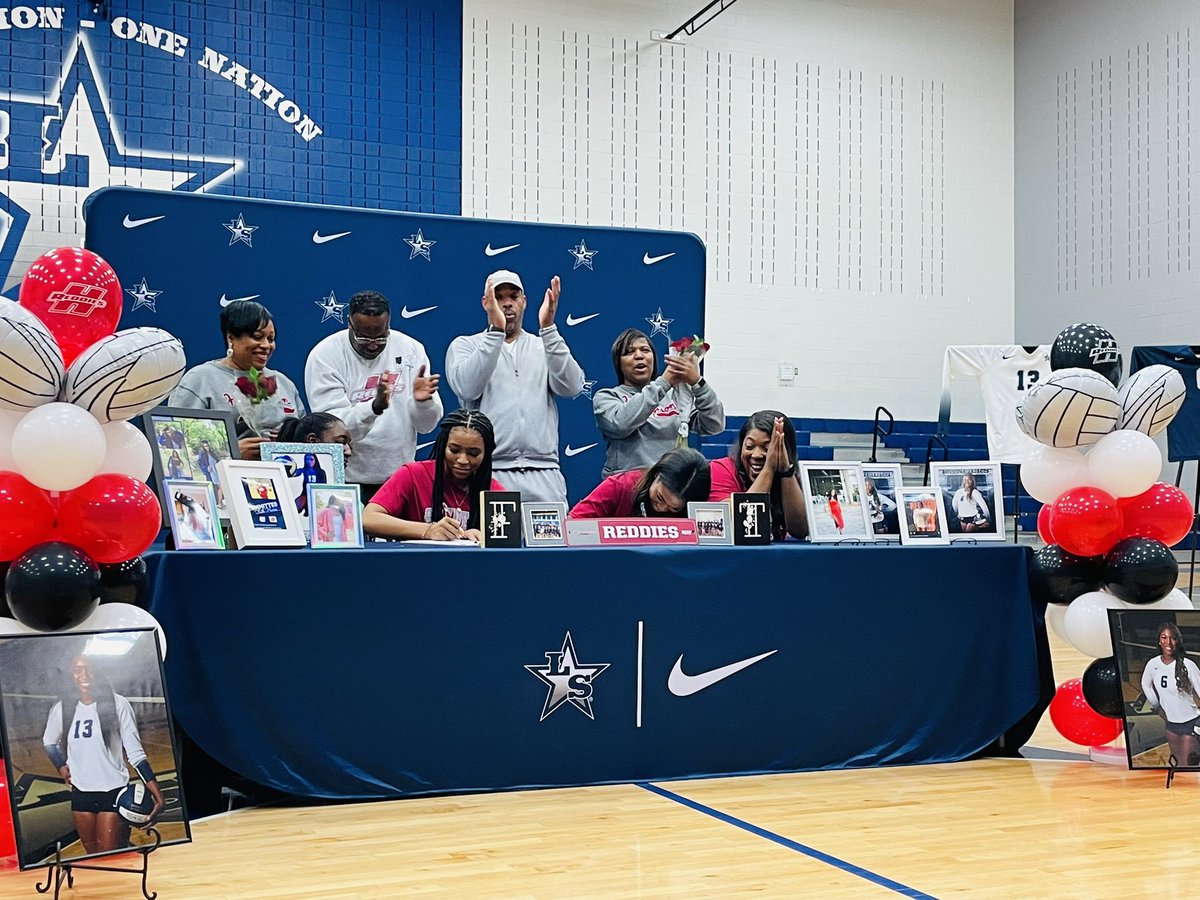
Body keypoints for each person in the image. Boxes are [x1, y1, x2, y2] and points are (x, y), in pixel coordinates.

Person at [445, 270, 585, 504]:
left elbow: (572, 387)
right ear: (486, 303)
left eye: (513, 296)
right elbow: (467, 388)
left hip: (544, 472)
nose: (507, 303)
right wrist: (495, 333)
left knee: (550, 542)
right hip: (490, 471)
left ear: (524, 301)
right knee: (491, 540)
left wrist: (549, 329)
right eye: (498, 297)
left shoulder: (544, 345)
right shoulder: (466, 345)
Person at [305, 290, 443, 499]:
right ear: (349, 323)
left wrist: (422, 403)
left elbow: (426, 426)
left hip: (400, 479)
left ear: (389, 325)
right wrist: (373, 408)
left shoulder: (411, 350)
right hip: (346, 480)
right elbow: (331, 432)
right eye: (363, 337)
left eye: (380, 337)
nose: (372, 344)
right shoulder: (325, 356)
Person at [42, 653, 165, 856]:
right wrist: (62, 767)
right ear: (72, 675)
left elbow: (134, 752)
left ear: (98, 671)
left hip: (113, 793)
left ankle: (128, 864)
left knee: (110, 856)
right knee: (94, 858)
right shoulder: (63, 709)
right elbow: (49, 742)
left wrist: (156, 791)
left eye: (89, 668)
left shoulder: (118, 704)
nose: (84, 674)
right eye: (78, 670)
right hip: (81, 794)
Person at [168, 300, 305, 460]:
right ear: (231, 337)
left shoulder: (283, 382)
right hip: (226, 480)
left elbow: (306, 439)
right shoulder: (200, 379)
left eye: (271, 338)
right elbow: (177, 443)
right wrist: (230, 451)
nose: (266, 345)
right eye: (257, 337)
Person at [592, 328, 725, 477]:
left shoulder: (675, 397)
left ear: (653, 359)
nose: (639, 356)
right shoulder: (606, 397)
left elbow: (714, 425)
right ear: (619, 364)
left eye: (645, 350)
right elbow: (621, 424)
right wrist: (664, 382)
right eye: (629, 352)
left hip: (670, 485)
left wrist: (697, 383)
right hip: (627, 487)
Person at [362, 409, 506, 542]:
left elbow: (508, 539)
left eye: (473, 453)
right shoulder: (412, 474)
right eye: (454, 450)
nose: (462, 460)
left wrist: (479, 535)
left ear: (486, 454)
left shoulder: (495, 493)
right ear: (442, 446)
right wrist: (428, 530)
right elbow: (368, 519)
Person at [708, 410, 808, 541]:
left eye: (767, 449)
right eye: (749, 446)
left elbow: (799, 531)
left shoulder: (794, 477)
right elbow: (738, 520)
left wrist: (785, 471)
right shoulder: (721, 469)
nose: (756, 455)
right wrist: (769, 468)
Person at [568, 448, 710, 518]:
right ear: (656, 474)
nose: (661, 508)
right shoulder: (621, 486)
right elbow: (573, 524)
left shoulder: (698, 510)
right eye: (660, 497)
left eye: (674, 508)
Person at [1141, 622, 1200, 767]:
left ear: (1177, 641)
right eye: (1164, 637)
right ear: (1159, 640)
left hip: (1191, 723)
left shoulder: (1188, 664)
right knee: (1177, 764)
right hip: (1171, 725)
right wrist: (1156, 706)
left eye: (1173, 638)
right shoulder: (1153, 664)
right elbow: (1145, 685)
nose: (1168, 642)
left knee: (1188, 765)